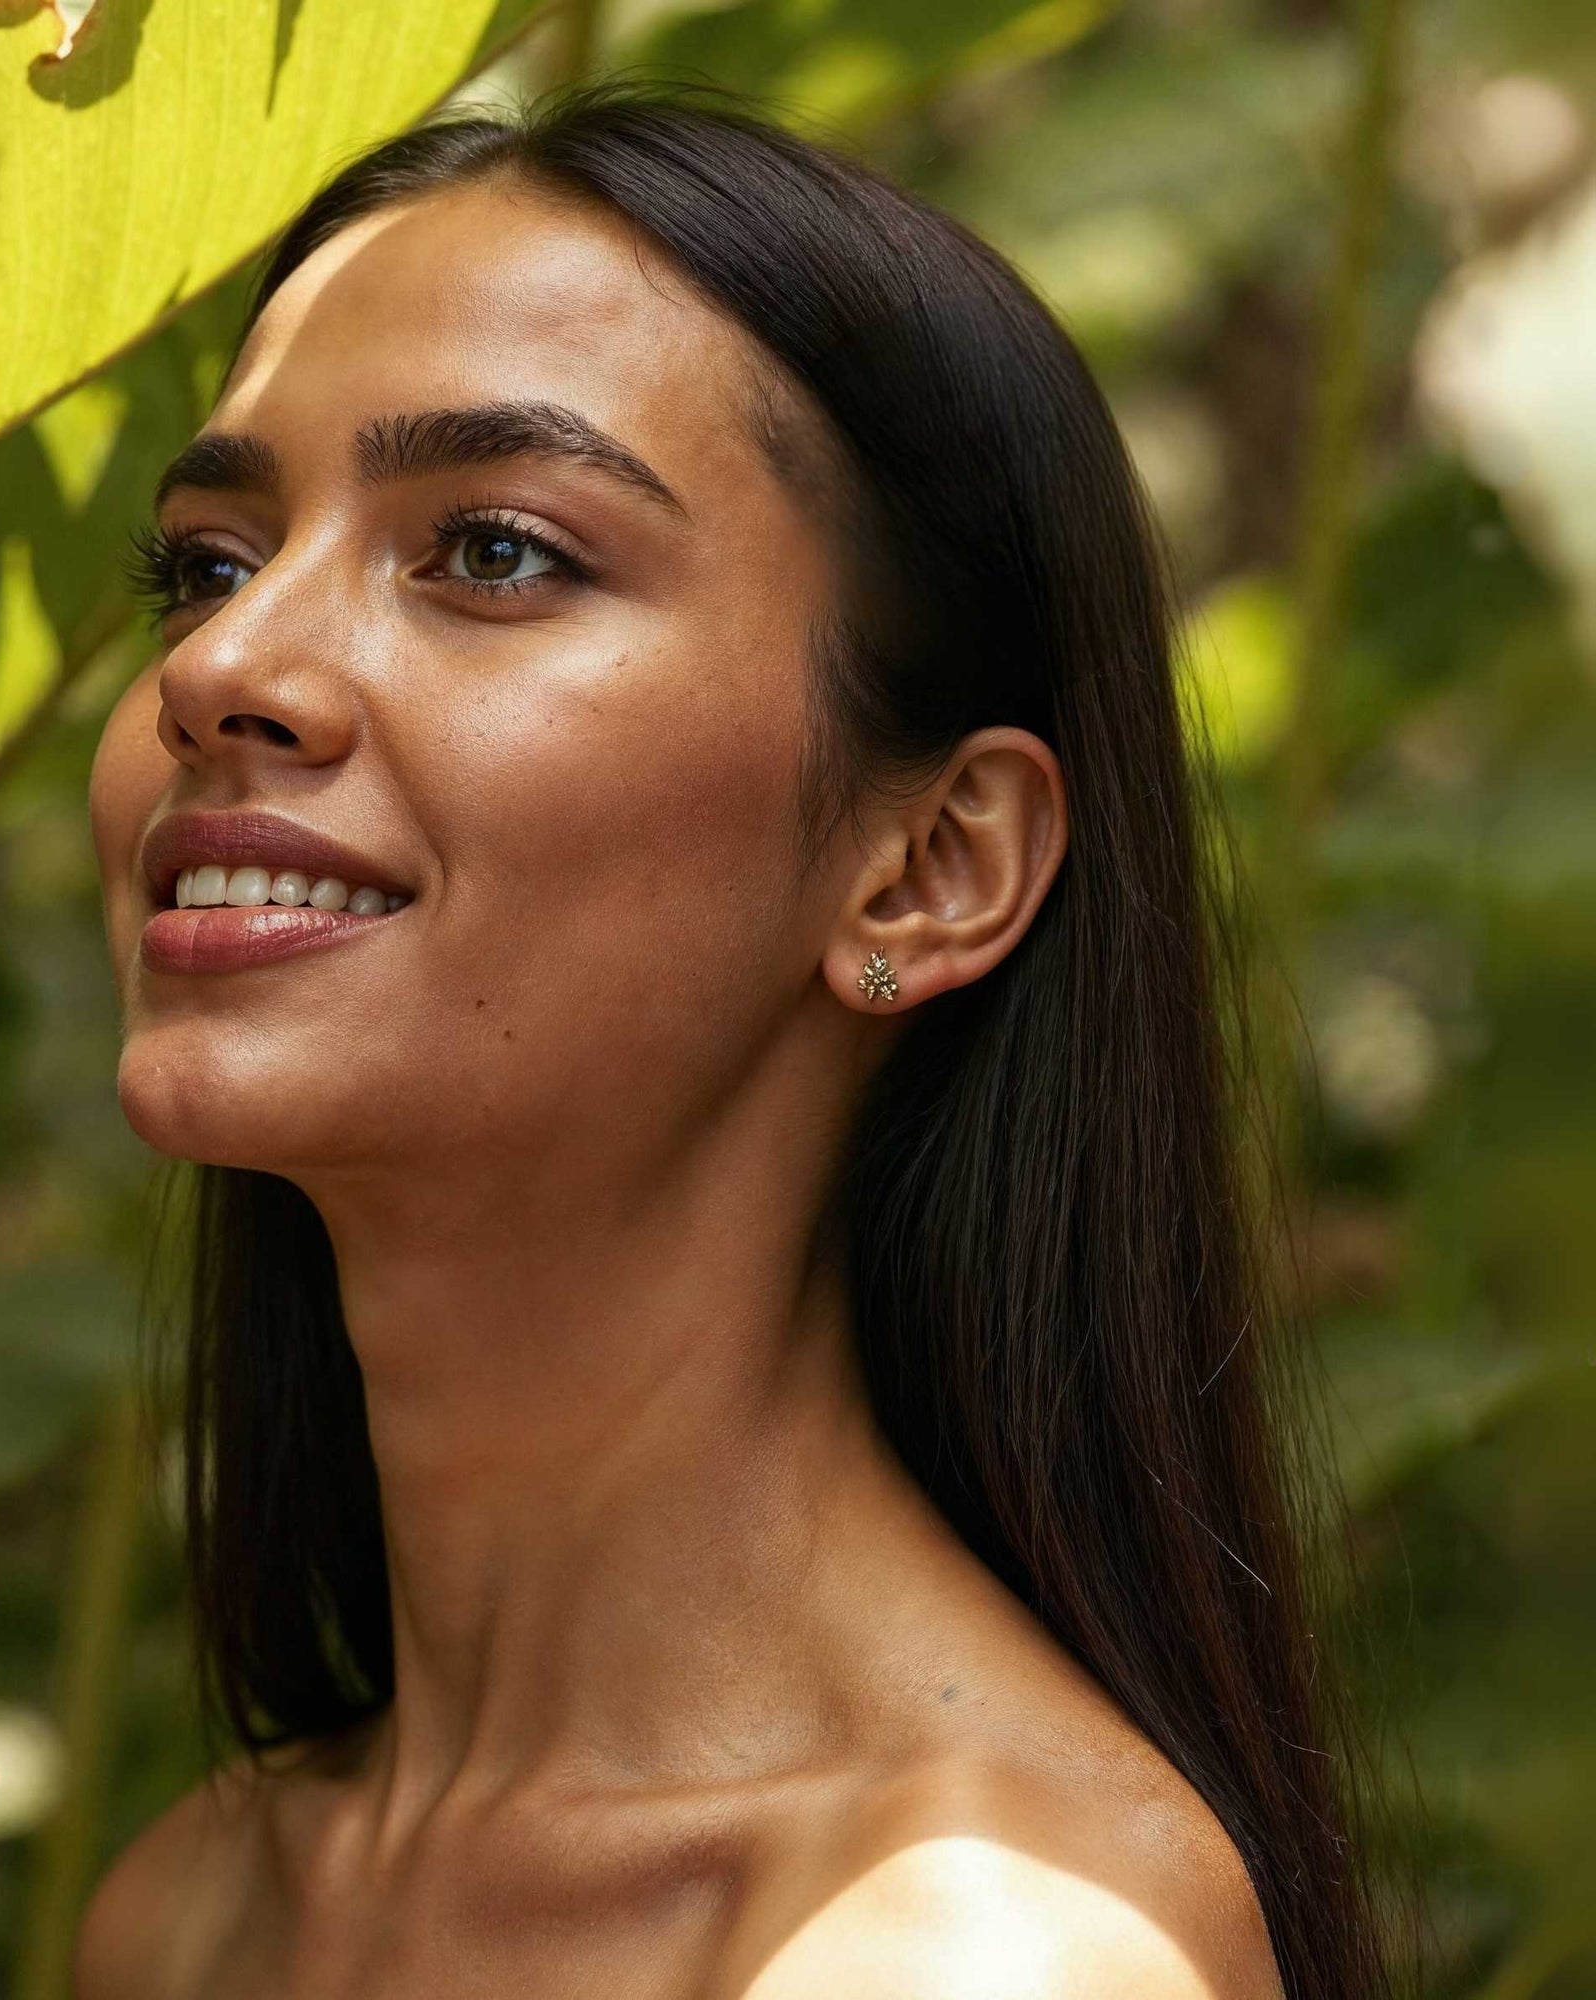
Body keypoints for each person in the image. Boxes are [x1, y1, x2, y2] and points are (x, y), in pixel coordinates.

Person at [79, 80, 1388, 1999]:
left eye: (498, 552)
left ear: (929, 868)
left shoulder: (981, 1955)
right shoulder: (194, 1912)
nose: (220, 670)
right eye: (208, 561)